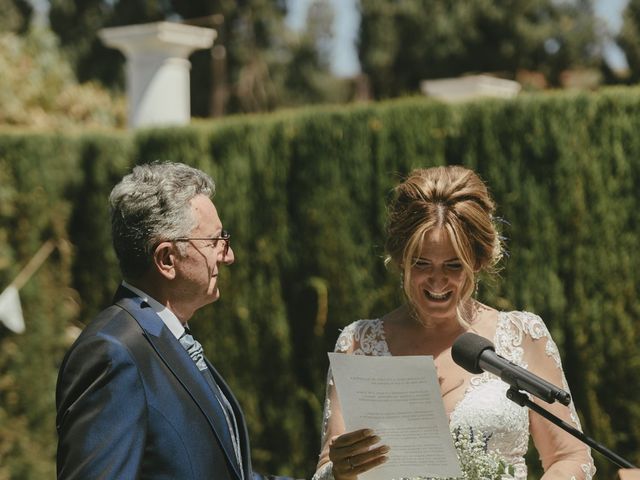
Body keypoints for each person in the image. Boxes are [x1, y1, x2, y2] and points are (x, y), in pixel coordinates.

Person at [312, 165, 596, 480]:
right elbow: (327, 468)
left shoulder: (523, 335)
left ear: (477, 260)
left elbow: (570, 456)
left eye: (453, 264)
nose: (437, 281)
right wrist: (340, 471)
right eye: (422, 263)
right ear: (402, 259)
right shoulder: (357, 344)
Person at [56, 161, 289, 480]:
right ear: (167, 259)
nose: (228, 255)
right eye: (215, 242)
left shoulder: (171, 336)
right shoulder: (114, 353)